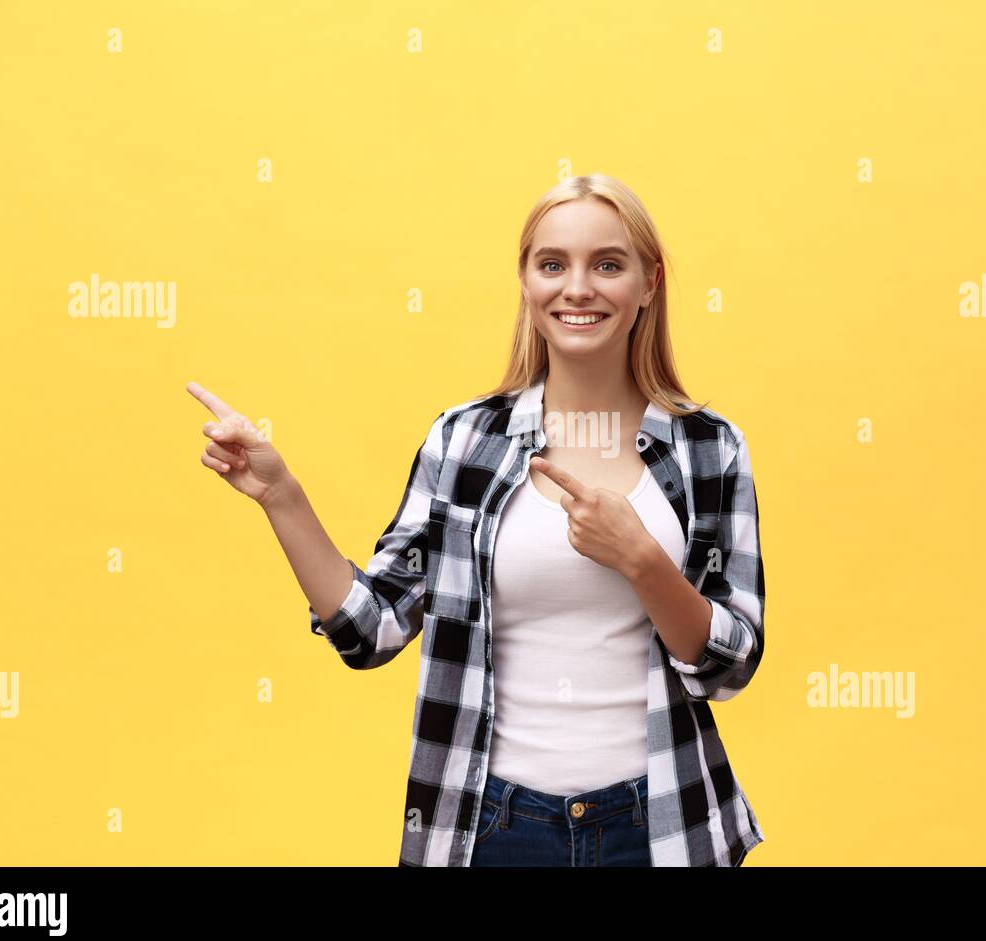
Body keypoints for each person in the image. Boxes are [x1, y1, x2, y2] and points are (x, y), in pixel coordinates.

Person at [187, 173, 766, 867]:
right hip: (489, 827)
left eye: (607, 264)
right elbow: (371, 630)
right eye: (552, 265)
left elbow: (729, 668)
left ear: (649, 283)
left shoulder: (711, 448)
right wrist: (280, 494)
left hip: (661, 825)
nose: (577, 288)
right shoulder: (465, 441)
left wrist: (642, 561)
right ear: (526, 281)